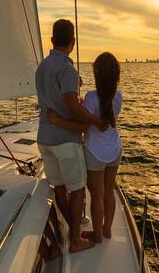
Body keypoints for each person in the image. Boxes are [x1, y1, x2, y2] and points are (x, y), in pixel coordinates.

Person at [35, 19, 108, 254]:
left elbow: (55, 96)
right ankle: (75, 241)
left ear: (52, 40)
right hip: (65, 140)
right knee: (77, 189)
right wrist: (95, 121)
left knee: (59, 186)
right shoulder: (67, 69)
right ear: (73, 43)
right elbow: (70, 104)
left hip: (45, 137)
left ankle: (71, 229)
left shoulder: (42, 67)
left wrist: (72, 84)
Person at [47, 52, 122, 244]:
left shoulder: (91, 97)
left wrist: (57, 120)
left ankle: (96, 235)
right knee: (109, 191)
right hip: (114, 149)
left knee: (96, 194)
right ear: (116, 76)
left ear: (97, 75)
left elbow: (84, 124)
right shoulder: (119, 97)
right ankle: (106, 230)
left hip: (95, 152)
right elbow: (103, 113)